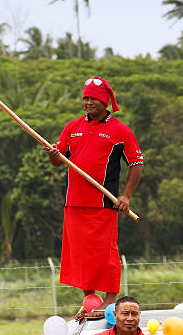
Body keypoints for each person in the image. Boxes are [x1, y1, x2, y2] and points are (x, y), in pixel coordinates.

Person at [44, 77, 144, 320]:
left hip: (103, 203)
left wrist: (126, 196)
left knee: (105, 252)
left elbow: (136, 163)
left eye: (93, 99)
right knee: (79, 253)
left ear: (104, 101)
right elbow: (58, 161)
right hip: (74, 201)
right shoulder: (72, 126)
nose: (88, 102)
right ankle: (90, 299)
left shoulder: (120, 130)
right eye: (85, 98)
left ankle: (110, 299)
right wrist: (53, 154)